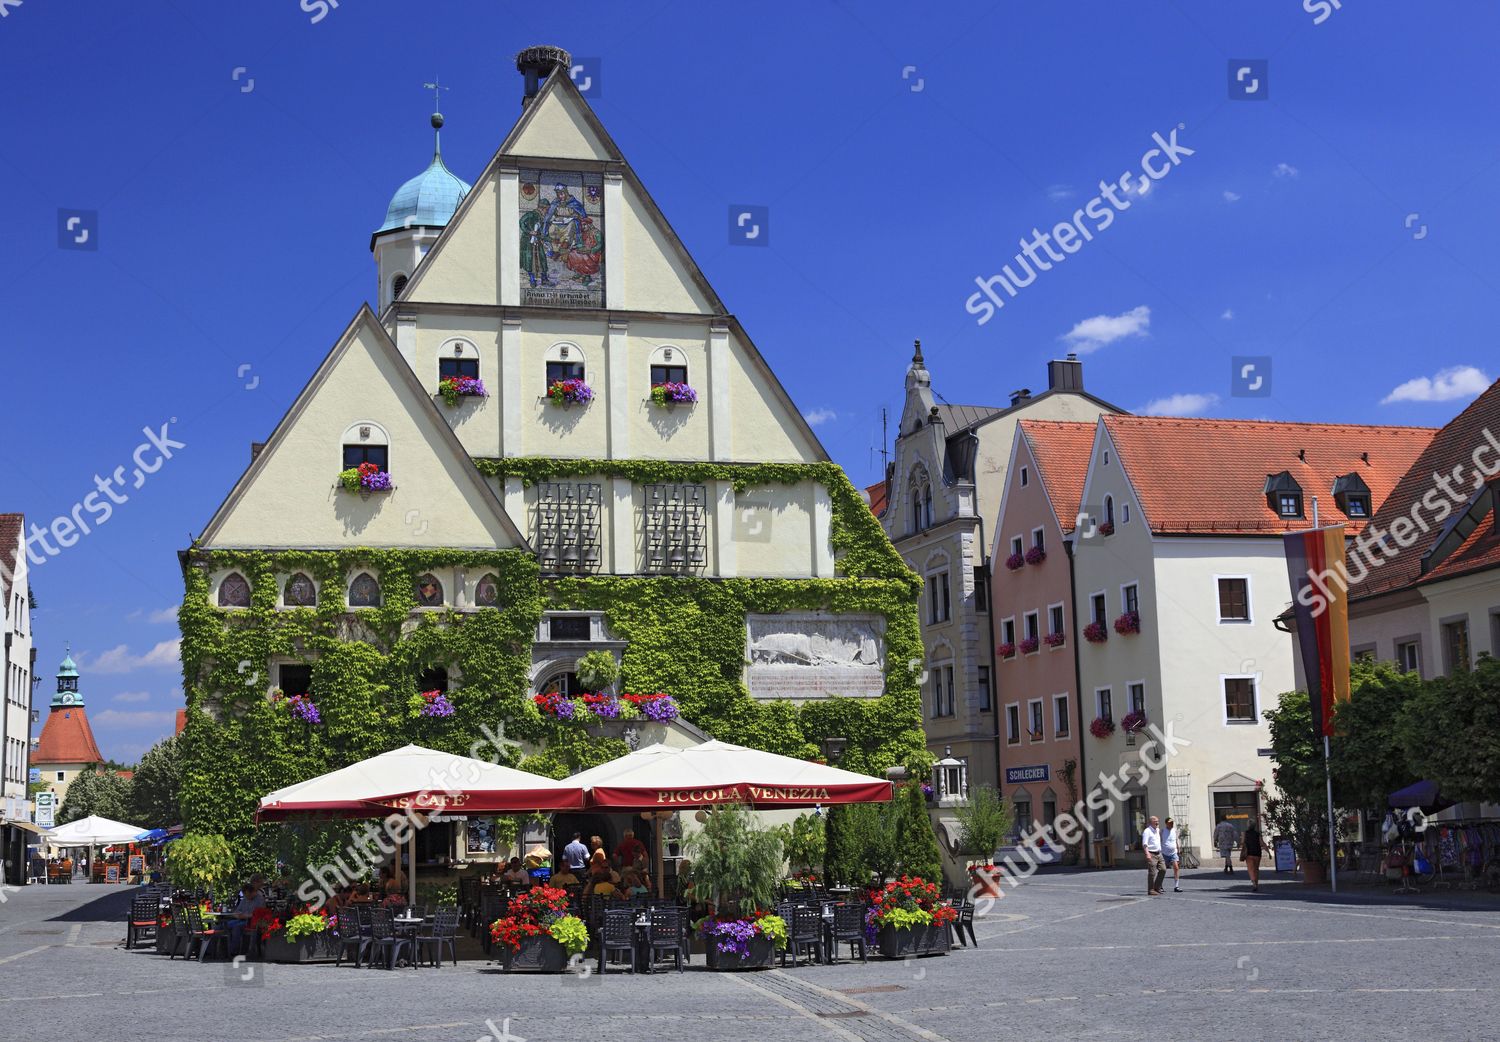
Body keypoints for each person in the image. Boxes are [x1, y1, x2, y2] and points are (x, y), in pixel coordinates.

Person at [1141, 815, 1165, 896]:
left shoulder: (1157, 830)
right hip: (1151, 853)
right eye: (1155, 822)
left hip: (1159, 853)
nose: (1157, 823)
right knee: (1152, 872)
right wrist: (1147, 853)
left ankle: (1157, 887)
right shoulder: (1147, 831)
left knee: (1163, 869)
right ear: (1151, 823)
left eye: (1158, 821)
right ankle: (1151, 890)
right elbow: (1145, 844)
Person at [1241, 820, 1264, 892]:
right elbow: (1262, 843)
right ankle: (1256, 883)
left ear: (1248, 825)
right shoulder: (1258, 834)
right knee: (1256, 869)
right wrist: (1268, 852)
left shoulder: (1245, 833)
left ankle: (1254, 883)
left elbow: (1242, 842)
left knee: (1251, 869)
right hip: (1257, 853)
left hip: (1249, 853)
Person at [1162, 817, 1182, 893]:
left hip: (1173, 852)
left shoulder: (1175, 831)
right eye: (1170, 823)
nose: (1172, 824)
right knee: (1162, 870)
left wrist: (1179, 849)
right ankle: (1160, 885)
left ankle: (1176, 886)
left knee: (1176, 868)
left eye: (1172, 823)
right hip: (1164, 853)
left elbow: (1176, 840)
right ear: (1166, 823)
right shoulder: (1163, 831)